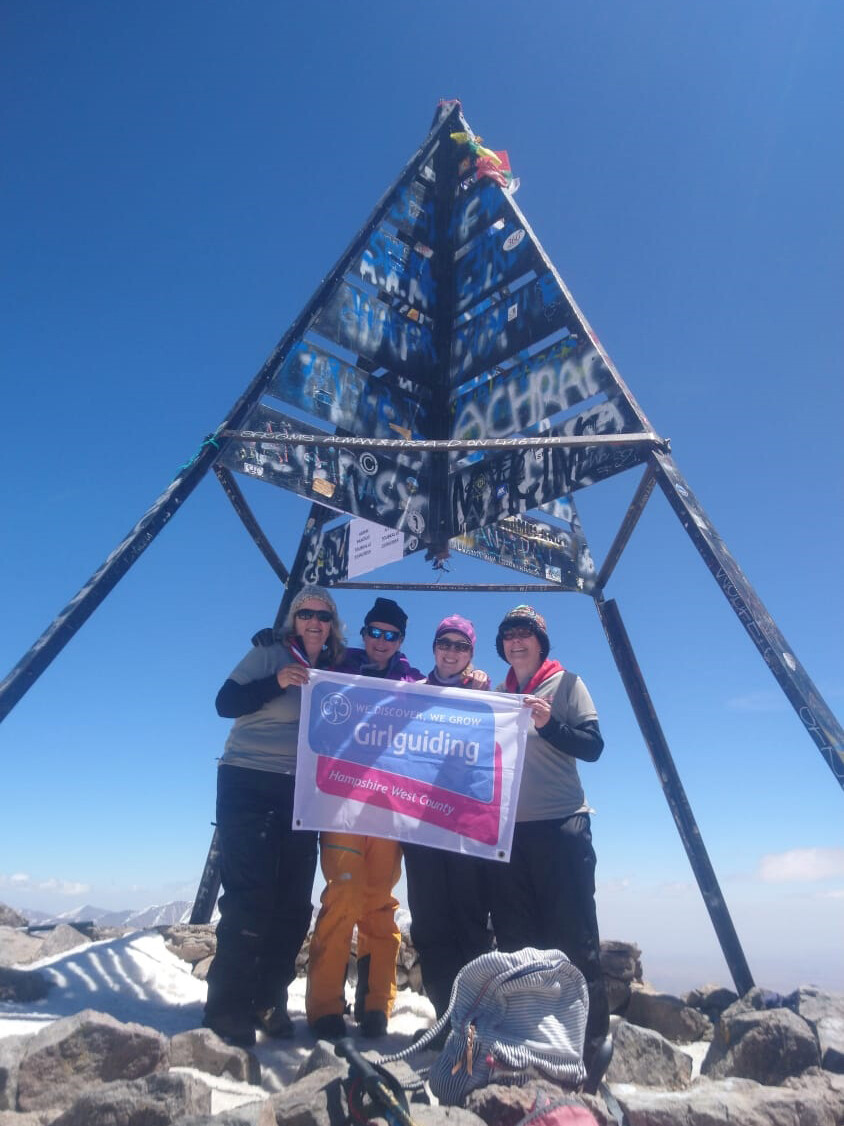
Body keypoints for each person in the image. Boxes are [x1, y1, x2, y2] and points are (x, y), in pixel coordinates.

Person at [203, 585, 345, 1047]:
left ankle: (269, 998)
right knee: (250, 894)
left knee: (292, 902)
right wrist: (277, 682)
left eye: (323, 616)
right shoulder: (269, 655)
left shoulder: (335, 666)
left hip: (303, 792)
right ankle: (228, 1005)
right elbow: (225, 703)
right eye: (306, 613)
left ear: (332, 625)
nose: (315, 622)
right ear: (294, 620)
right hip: (249, 779)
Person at [489, 604, 610, 1074]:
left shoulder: (567, 684)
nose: (516, 642)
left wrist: (549, 725)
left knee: (574, 940)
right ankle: (533, 1041)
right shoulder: (500, 694)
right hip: (509, 836)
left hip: (562, 826)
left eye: (525, 634)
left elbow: (594, 746)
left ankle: (591, 1048)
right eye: (509, 635)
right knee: (521, 943)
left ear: (541, 642)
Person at [306, 597, 423, 1040]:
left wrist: (474, 681)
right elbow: (305, 649)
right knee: (343, 898)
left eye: (391, 635)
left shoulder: (413, 681)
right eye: (374, 631)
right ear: (364, 633)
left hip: (390, 809)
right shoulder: (338, 665)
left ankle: (376, 1004)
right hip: (341, 806)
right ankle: (324, 1008)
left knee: (379, 906)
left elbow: (448, 708)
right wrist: (277, 643)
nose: (381, 641)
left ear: (400, 641)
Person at [402, 615, 495, 1021]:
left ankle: (473, 1017)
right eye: (446, 643)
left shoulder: (486, 695)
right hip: (420, 825)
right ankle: (444, 1017)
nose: (452, 651)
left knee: (470, 920)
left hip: (466, 826)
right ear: (434, 647)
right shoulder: (410, 693)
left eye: (461, 646)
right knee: (429, 920)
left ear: (471, 654)